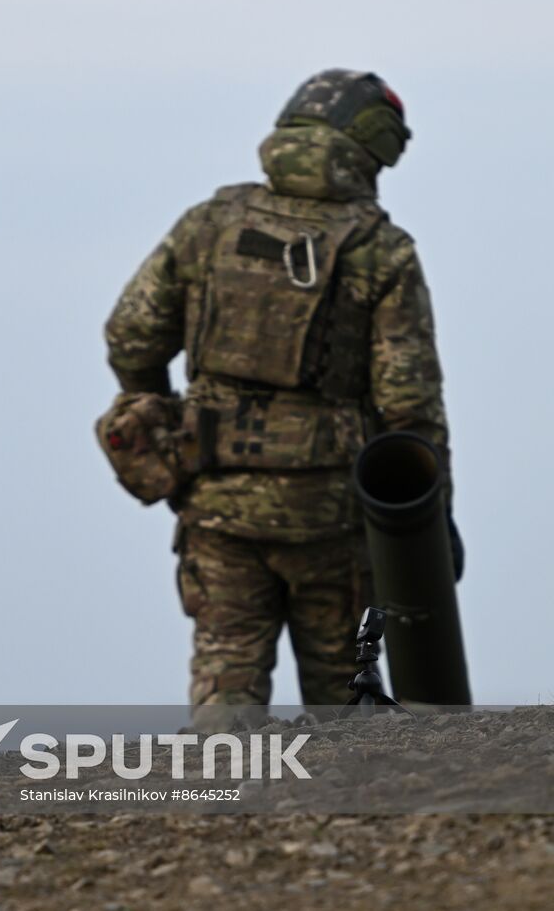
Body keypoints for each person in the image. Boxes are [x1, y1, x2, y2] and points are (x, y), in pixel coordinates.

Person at [101, 70, 454, 723]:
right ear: (371, 149)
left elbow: (131, 334)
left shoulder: (208, 225)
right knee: (343, 697)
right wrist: (434, 524)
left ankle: (219, 811)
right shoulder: (384, 251)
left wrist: (166, 416)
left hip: (217, 503)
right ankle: (341, 818)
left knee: (225, 681)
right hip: (332, 512)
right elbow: (411, 408)